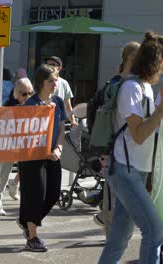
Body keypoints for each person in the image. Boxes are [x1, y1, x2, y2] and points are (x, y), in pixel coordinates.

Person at [98, 32, 163, 264]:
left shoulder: (145, 87)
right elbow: (138, 134)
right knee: (154, 231)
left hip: (135, 170)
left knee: (118, 240)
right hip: (125, 171)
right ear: (157, 60)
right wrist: (160, 110)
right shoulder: (131, 88)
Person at [93, 41, 140, 235]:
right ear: (131, 59)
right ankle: (109, 231)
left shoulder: (130, 84)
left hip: (128, 151)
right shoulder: (121, 85)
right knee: (114, 197)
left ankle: (106, 220)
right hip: (114, 150)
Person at [17, 64, 66, 252]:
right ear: (41, 82)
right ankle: (32, 236)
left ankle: (27, 220)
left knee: (53, 195)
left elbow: (61, 128)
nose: (55, 83)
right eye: (51, 80)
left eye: (56, 80)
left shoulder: (59, 102)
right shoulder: (31, 104)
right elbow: (24, 131)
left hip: (52, 154)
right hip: (32, 157)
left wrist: (59, 147)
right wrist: (42, 111)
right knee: (35, 196)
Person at [0, 77, 34, 215]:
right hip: (8, 145)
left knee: (27, 171)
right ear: (16, 93)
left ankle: (14, 187)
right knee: (3, 175)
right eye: (24, 94)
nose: (27, 97)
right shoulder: (7, 107)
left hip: (24, 144)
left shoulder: (33, 105)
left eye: (30, 93)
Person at [45, 56, 78, 127]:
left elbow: (67, 106)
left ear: (59, 68)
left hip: (58, 122)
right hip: (44, 121)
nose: (49, 67)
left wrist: (73, 121)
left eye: (52, 64)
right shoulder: (41, 81)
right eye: (47, 64)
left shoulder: (64, 83)